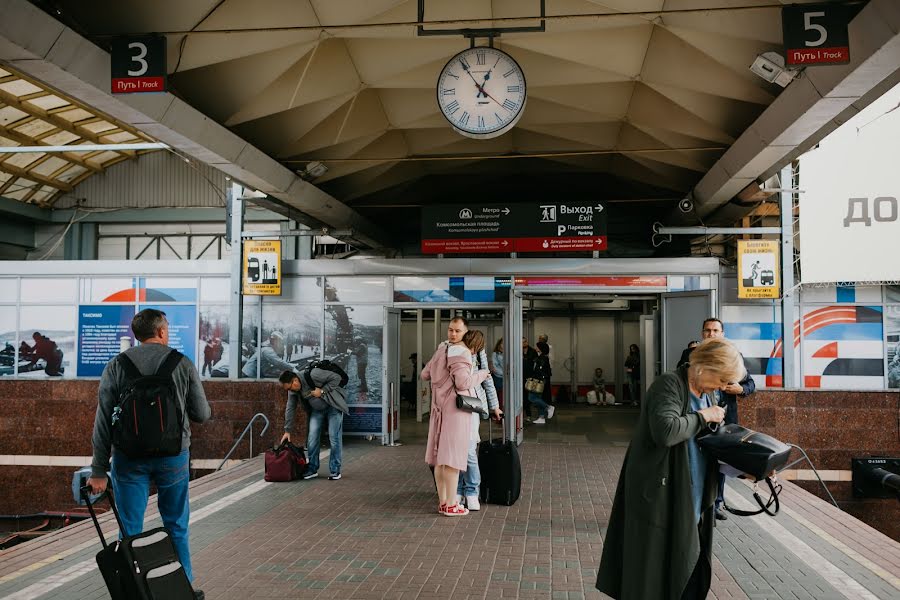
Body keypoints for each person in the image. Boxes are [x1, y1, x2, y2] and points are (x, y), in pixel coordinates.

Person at [596, 337, 743, 600]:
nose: (723, 387)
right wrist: (704, 416)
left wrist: (748, 464)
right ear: (704, 367)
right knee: (653, 573)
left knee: (686, 567)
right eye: (721, 379)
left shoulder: (707, 392)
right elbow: (666, 431)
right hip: (661, 495)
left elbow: (711, 441)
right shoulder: (669, 384)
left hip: (692, 496)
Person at [86, 309, 210, 600]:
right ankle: (184, 588)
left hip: (128, 460)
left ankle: (134, 592)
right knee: (176, 524)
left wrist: (98, 470)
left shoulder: (117, 365)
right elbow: (202, 414)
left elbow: (103, 419)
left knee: (129, 528)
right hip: (173, 457)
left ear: (136, 335)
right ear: (162, 331)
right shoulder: (181, 363)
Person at [422, 316, 490, 516]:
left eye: (457, 331)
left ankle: (444, 503)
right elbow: (462, 383)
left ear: (465, 332)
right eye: (451, 329)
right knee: (452, 460)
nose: (453, 334)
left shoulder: (441, 349)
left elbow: (424, 375)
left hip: (439, 410)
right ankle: (452, 504)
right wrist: (482, 373)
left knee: (441, 459)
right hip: (455, 411)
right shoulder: (461, 351)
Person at [456, 330, 502, 511]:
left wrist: (494, 406)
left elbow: (487, 381)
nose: (473, 351)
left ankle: (471, 490)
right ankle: (459, 489)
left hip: (473, 405)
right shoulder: (454, 352)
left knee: (468, 450)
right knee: (458, 450)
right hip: (456, 405)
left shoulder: (479, 355)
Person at [279, 365, 349, 480]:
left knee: (334, 438)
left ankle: (335, 470)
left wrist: (322, 391)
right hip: (317, 411)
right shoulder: (293, 391)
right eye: (288, 390)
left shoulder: (313, 374)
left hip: (333, 406)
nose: (290, 391)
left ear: (295, 381)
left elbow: (336, 378)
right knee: (312, 439)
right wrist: (287, 430)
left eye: (290, 388)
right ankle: (312, 468)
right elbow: (290, 407)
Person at [529, 341, 554, 424]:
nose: (535, 348)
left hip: (538, 381)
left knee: (532, 397)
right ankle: (541, 417)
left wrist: (534, 378)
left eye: (537, 346)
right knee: (539, 398)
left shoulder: (542, 358)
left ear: (540, 348)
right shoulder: (540, 356)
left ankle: (548, 407)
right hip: (539, 380)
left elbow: (540, 370)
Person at [521, 338, 538, 420]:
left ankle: (528, 414)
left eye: (525, 341)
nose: (524, 343)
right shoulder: (517, 350)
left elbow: (535, 363)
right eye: (522, 342)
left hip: (530, 376)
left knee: (529, 396)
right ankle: (523, 414)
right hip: (520, 376)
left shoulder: (532, 351)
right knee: (522, 396)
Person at [537, 334, 554, 405]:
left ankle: (546, 403)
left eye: (541, 338)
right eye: (539, 338)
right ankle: (541, 402)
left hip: (545, 369)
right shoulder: (538, 347)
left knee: (546, 388)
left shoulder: (549, 347)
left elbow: (552, 358)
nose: (539, 339)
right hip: (540, 368)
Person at [490, 338, 504, 408]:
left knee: (504, 396)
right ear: (499, 344)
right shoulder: (495, 353)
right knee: (498, 396)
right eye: (502, 343)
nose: (504, 345)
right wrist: (504, 372)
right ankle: (498, 412)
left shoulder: (509, 353)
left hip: (507, 377)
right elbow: (495, 368)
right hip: (498, 377)